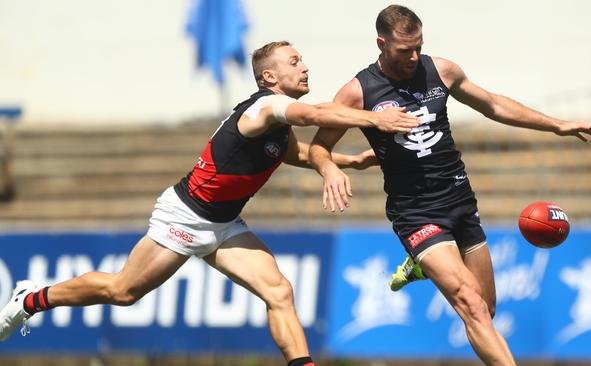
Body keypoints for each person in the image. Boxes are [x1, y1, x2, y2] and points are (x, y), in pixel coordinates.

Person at [0, 41, 419, 366]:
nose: (304, 66)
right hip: (184, 216)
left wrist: (348, 161)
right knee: (123, 291)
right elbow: (313, 116)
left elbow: (297, 153)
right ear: (270, 76)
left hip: (223, 224)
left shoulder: (278, 119)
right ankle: (33, 298)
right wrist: (374, 118)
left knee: (279, 290)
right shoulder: (266, 106)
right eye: (294, 61)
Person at [308, 5, 591, 366]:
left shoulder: (441, 70)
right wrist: (329, 170)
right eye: (405, 50)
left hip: (460, 199)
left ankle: (419, 266)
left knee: (486, 307)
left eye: (419, 46)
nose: (414, 56)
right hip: (416, 212)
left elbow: (493, 105)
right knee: (471, 304)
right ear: (381, 43)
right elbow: (319, 148)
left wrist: (555, 125)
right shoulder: (358, 91)